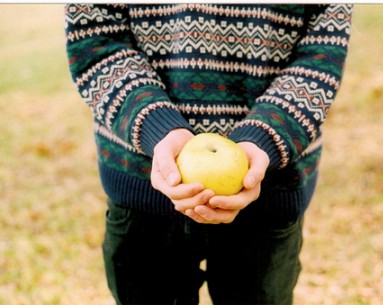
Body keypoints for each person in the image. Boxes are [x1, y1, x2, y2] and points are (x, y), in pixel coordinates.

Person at [65, 4, 353, 305]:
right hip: (143, 186)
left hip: (269, 189)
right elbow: (95, 37)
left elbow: (323, 47)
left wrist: (266, 135)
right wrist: (154, 124)